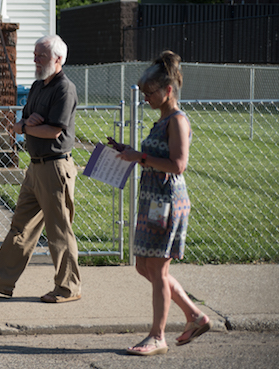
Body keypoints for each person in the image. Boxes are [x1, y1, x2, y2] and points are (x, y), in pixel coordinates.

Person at [108, 51, 211, 356]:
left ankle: (157, 336)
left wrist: (138, 157)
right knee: (145, 266)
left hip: (167, 202)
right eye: (143, 93)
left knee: (158, 269)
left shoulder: (177, 120)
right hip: (153, 199)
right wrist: (128, 151)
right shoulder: (162, 120)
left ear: (168, 90)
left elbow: (178, 165)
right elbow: (155, 158)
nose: (145, 98)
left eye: (149, 92)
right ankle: (195, 316)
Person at [0, 34, 81, 303]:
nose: (35, 59)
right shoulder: (37, 86)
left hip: (55, 168)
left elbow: (54, 131)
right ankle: (1, 280)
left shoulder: (64, 89)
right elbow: (18, 124)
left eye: (40, 55)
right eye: (34, 54)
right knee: (21, 226)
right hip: (35, 168)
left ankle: (68, 287)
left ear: (58, 59)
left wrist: (29, 127)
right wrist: (29, 125)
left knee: (59, 231)